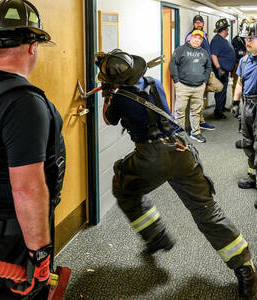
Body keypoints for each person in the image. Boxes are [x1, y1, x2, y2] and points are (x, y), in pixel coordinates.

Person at [97, 48, 255, 299]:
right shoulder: (153, 82)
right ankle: (244, 267)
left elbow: (109, 120)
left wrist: (108, 94)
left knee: (123, 187)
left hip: (150, 157)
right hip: (182, 148)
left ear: (114, 81)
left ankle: (156, 236)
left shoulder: (118, 99)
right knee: (207, 210)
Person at [0, 0, 65, 299]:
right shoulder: (24, 103)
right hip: (12, 227)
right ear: (32, 46)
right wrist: (40, 253)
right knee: (20, 292)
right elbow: (27, 188)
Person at [231, 19, 257, 200]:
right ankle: (252, 177)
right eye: (246, 38)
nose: (248, 42)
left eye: (252, 38)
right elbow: (240, 82)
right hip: (247, 105)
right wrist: (235, 102)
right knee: (248, 143)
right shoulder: (245, 60)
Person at [170, 30, 211, 143]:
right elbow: (173, 64)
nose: (197, 40)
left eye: (199, 38)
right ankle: (179, 134)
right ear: (190, 38)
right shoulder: (181, 50)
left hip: (199, 87)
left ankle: (196, 133)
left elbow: (208, 67)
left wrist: (204, 82)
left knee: (196, 111)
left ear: (202, 41)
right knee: (180, 111)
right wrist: (176, 81)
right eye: (195, 38)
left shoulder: (204, 52)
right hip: (183, 86)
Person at [185, 15, 215, 131]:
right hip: (197, 71)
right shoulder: (190, 36)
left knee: (202, 95)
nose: (199, 24)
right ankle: (198, 122)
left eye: (200, 23)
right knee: (197, 97)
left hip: (205, 70)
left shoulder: (204, 35)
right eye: (196, 23)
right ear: (193, 24)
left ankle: (199, 120)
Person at [210, 18, 236, 119]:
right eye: (227, 29)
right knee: (220, 90)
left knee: (224, 90)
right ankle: (218, 111)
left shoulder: (222, 39)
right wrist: (218, 68)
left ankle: (221, 107)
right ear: (224, 30)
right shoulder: (216, 40)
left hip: (225, 70)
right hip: (220, 71)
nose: (228, 31)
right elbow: (213, 55)